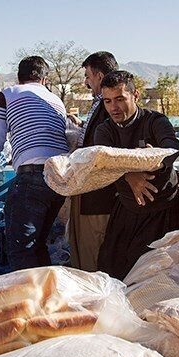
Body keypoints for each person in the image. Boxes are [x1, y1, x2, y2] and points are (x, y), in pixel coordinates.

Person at [0, 56, 69, 270]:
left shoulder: (8, 94)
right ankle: (46, 290)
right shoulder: (56, 100)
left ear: (19, 77)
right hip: (60, 179)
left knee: (21, 250)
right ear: (44, 79)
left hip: (32, 177)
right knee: (38, 246)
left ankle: (30, 292)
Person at [94, 70, 179, 281]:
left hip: (159, 209)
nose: (113, 107)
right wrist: (129, 175)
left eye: (120, 99)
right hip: (126, 205)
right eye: (107, 101)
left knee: (146, 274)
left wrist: (152, 158)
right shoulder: (104, 130)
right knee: (110, 268)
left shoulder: (155, 121)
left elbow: (171, 148)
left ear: (135, 95)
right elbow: (104, 162)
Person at [68, 51, 119, 272]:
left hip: (99, 198)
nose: (86, 82)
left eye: (88, 76)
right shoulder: (99, 104)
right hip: (88, 193)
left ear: (98, 75)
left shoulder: (109, 107)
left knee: (93, 261)